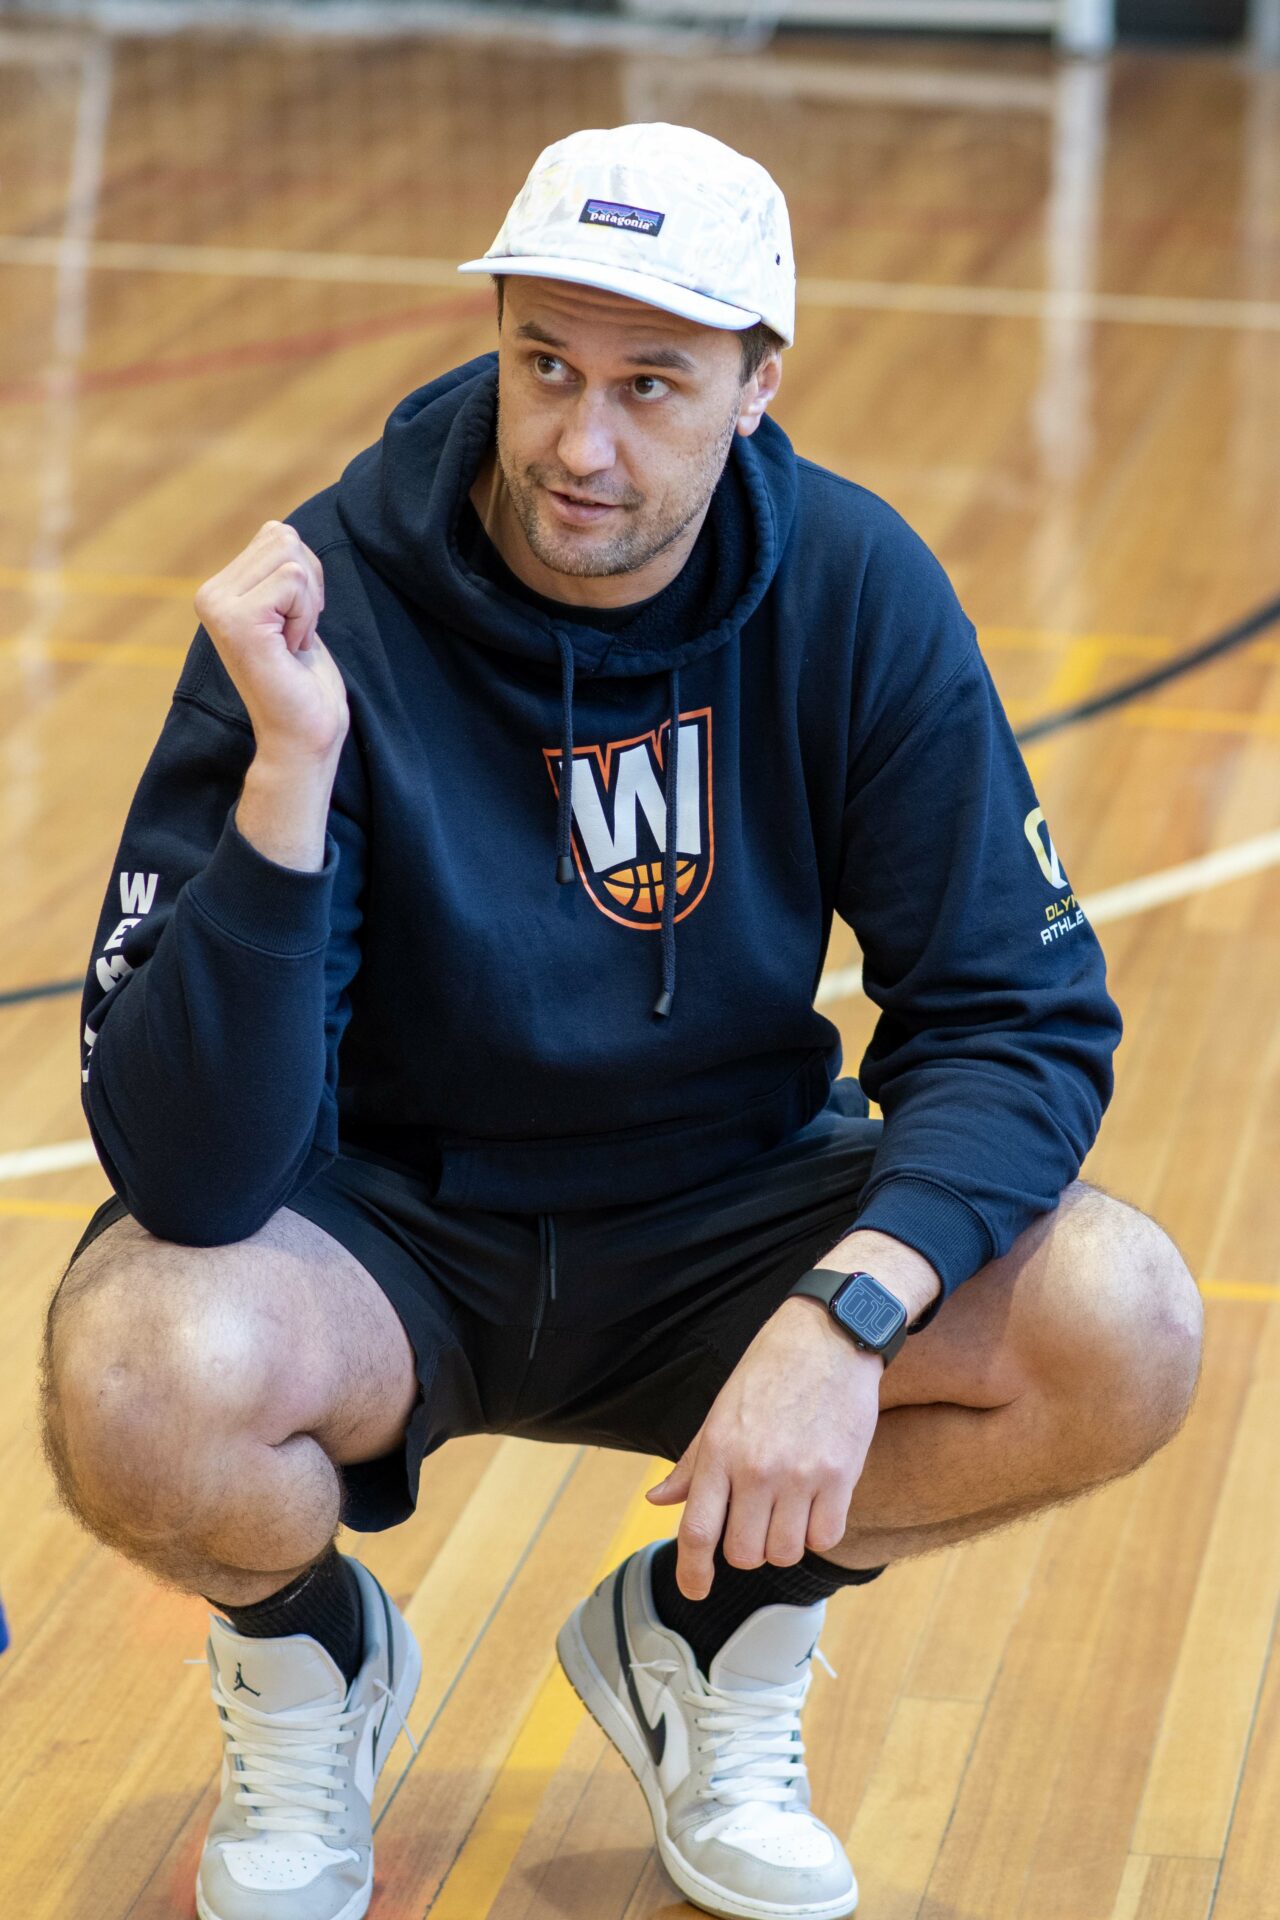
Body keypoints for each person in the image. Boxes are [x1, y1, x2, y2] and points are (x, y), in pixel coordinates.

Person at [40, 123, 1202, 1920]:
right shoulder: (321, 609)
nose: (582, 445)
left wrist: (850, 1311)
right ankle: (303, 1657)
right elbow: (192, 1175)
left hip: (731, 1212)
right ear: (498, 338)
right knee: (132, 1368)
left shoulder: (853, 589)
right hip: (386, 1234)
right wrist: (288, 780)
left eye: (652, 384)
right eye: (546, 367)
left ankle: (715, 1636)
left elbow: (1019, 1016)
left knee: (1123, 1321)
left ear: (758, 385)